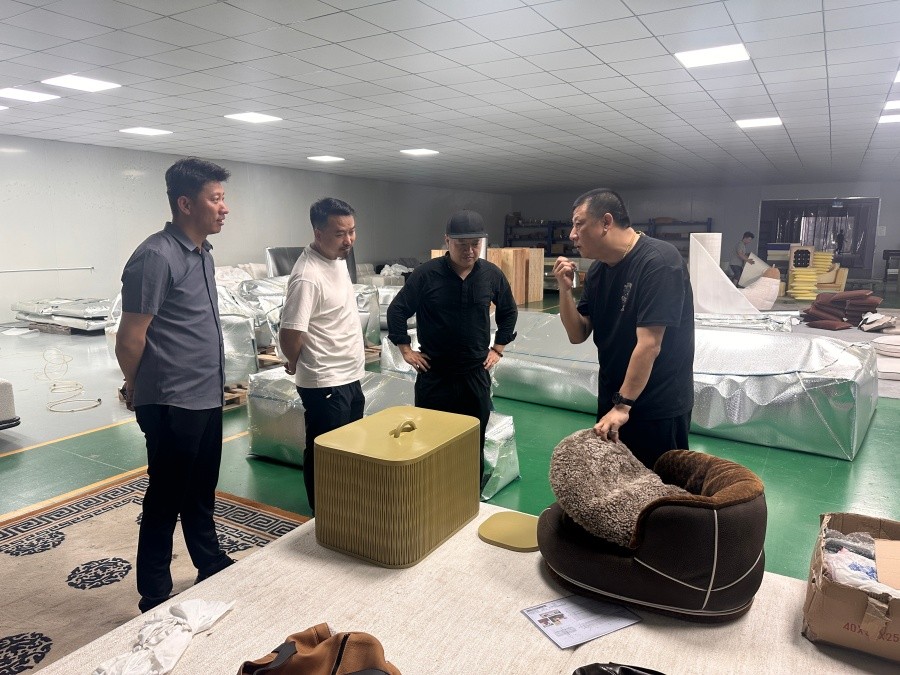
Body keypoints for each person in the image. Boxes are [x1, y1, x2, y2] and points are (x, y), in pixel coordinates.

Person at [116, 157, 235, 613]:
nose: (224, 208)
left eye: (223, 198)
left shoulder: (203, 253)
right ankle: (154, 590)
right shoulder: (155, 256)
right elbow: (130, 338)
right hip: (171, 399)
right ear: (186, 204)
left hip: (205, 394)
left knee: (200, 488)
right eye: (215, 198)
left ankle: (209, 560)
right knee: (165, 496)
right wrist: (136, 388)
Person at [553, 188, 694, 469]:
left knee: (658, 485)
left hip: (656, 406)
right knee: (615, 483)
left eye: (579, 224)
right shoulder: (598, 271)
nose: (572, 234)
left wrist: (623, 405)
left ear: (606, 222)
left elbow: (649, 344)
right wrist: (565, 291)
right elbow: (577, 334)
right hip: (614, 401)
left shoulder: (659, 262)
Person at [386, 210, 518, 484]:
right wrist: (406, 350)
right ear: (447, 241)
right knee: (431, 438)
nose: (470, 251)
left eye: (475, 244)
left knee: (473, 439)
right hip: (435, 374)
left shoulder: (491, 275)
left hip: (474, 374)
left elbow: (508, 310)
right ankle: (433, 489)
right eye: (462, 244)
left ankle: (469, 492)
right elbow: (397, 310)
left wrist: (498, 348)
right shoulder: (426, 275)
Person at [279, 198, 365, 514]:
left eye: (352, 231)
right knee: (326, 452)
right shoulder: (308, 275)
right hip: (325, 379)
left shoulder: (337, 259)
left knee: (350, 449)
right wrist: (293, 361)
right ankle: (324, 517)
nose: (349, 240)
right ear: (318, 233)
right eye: (340, 233)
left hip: (349, 375)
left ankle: (345, 509)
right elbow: (290, 332)